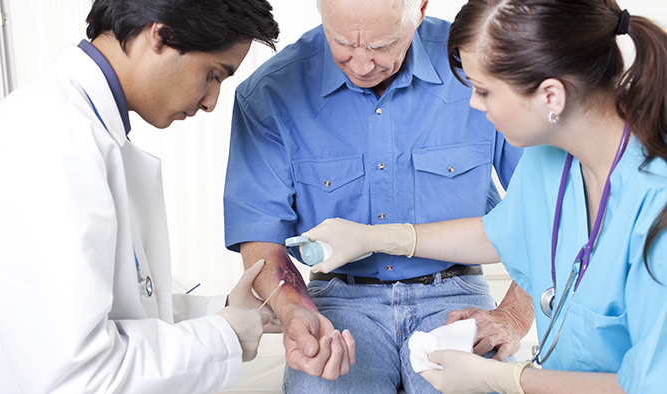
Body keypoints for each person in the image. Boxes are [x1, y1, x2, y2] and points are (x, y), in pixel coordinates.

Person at [302, 0, 667, 392]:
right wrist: (374, 238)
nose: (474, 104)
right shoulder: (551, 159)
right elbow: (500, 234)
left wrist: (509, 379)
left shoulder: (655, 205)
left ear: (551, 97)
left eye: (483, 90)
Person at [0, 0, 280, 393]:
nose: (211, 102)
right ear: (161, 36)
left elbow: (122, 308)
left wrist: (222, 312)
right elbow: (81, 376)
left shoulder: (87, 133)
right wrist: (225, 335)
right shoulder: (48, 141)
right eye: (213, 75)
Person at [223, 0, 534, 391]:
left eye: (382, 45)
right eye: (343, 43)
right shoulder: (268, 94)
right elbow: (261, 239)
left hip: (455, 296)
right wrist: (295, 314)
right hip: (336, 300)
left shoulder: (478, 67)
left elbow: (553, 211)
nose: (362, 64)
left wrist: (513, 317)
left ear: (419, 9)